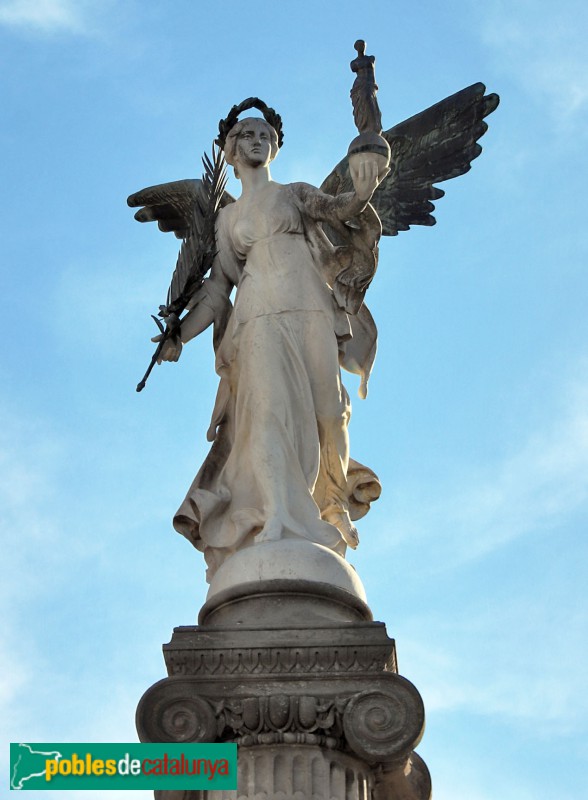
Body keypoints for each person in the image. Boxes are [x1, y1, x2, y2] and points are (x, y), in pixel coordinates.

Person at [157, 115, 384, 582]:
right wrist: (179, 335)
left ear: (275, 148)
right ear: (230, 151)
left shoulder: (294, 194)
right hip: (257, 315)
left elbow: (341, 208)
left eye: (267, 136)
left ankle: (331, 501)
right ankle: (277, 512)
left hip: (309, 307)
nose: (258, 141)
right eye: (248, 135)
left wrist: (364, 188)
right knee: (265, 413)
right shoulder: (227, 219)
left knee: (329, 411)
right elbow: (217, 290)